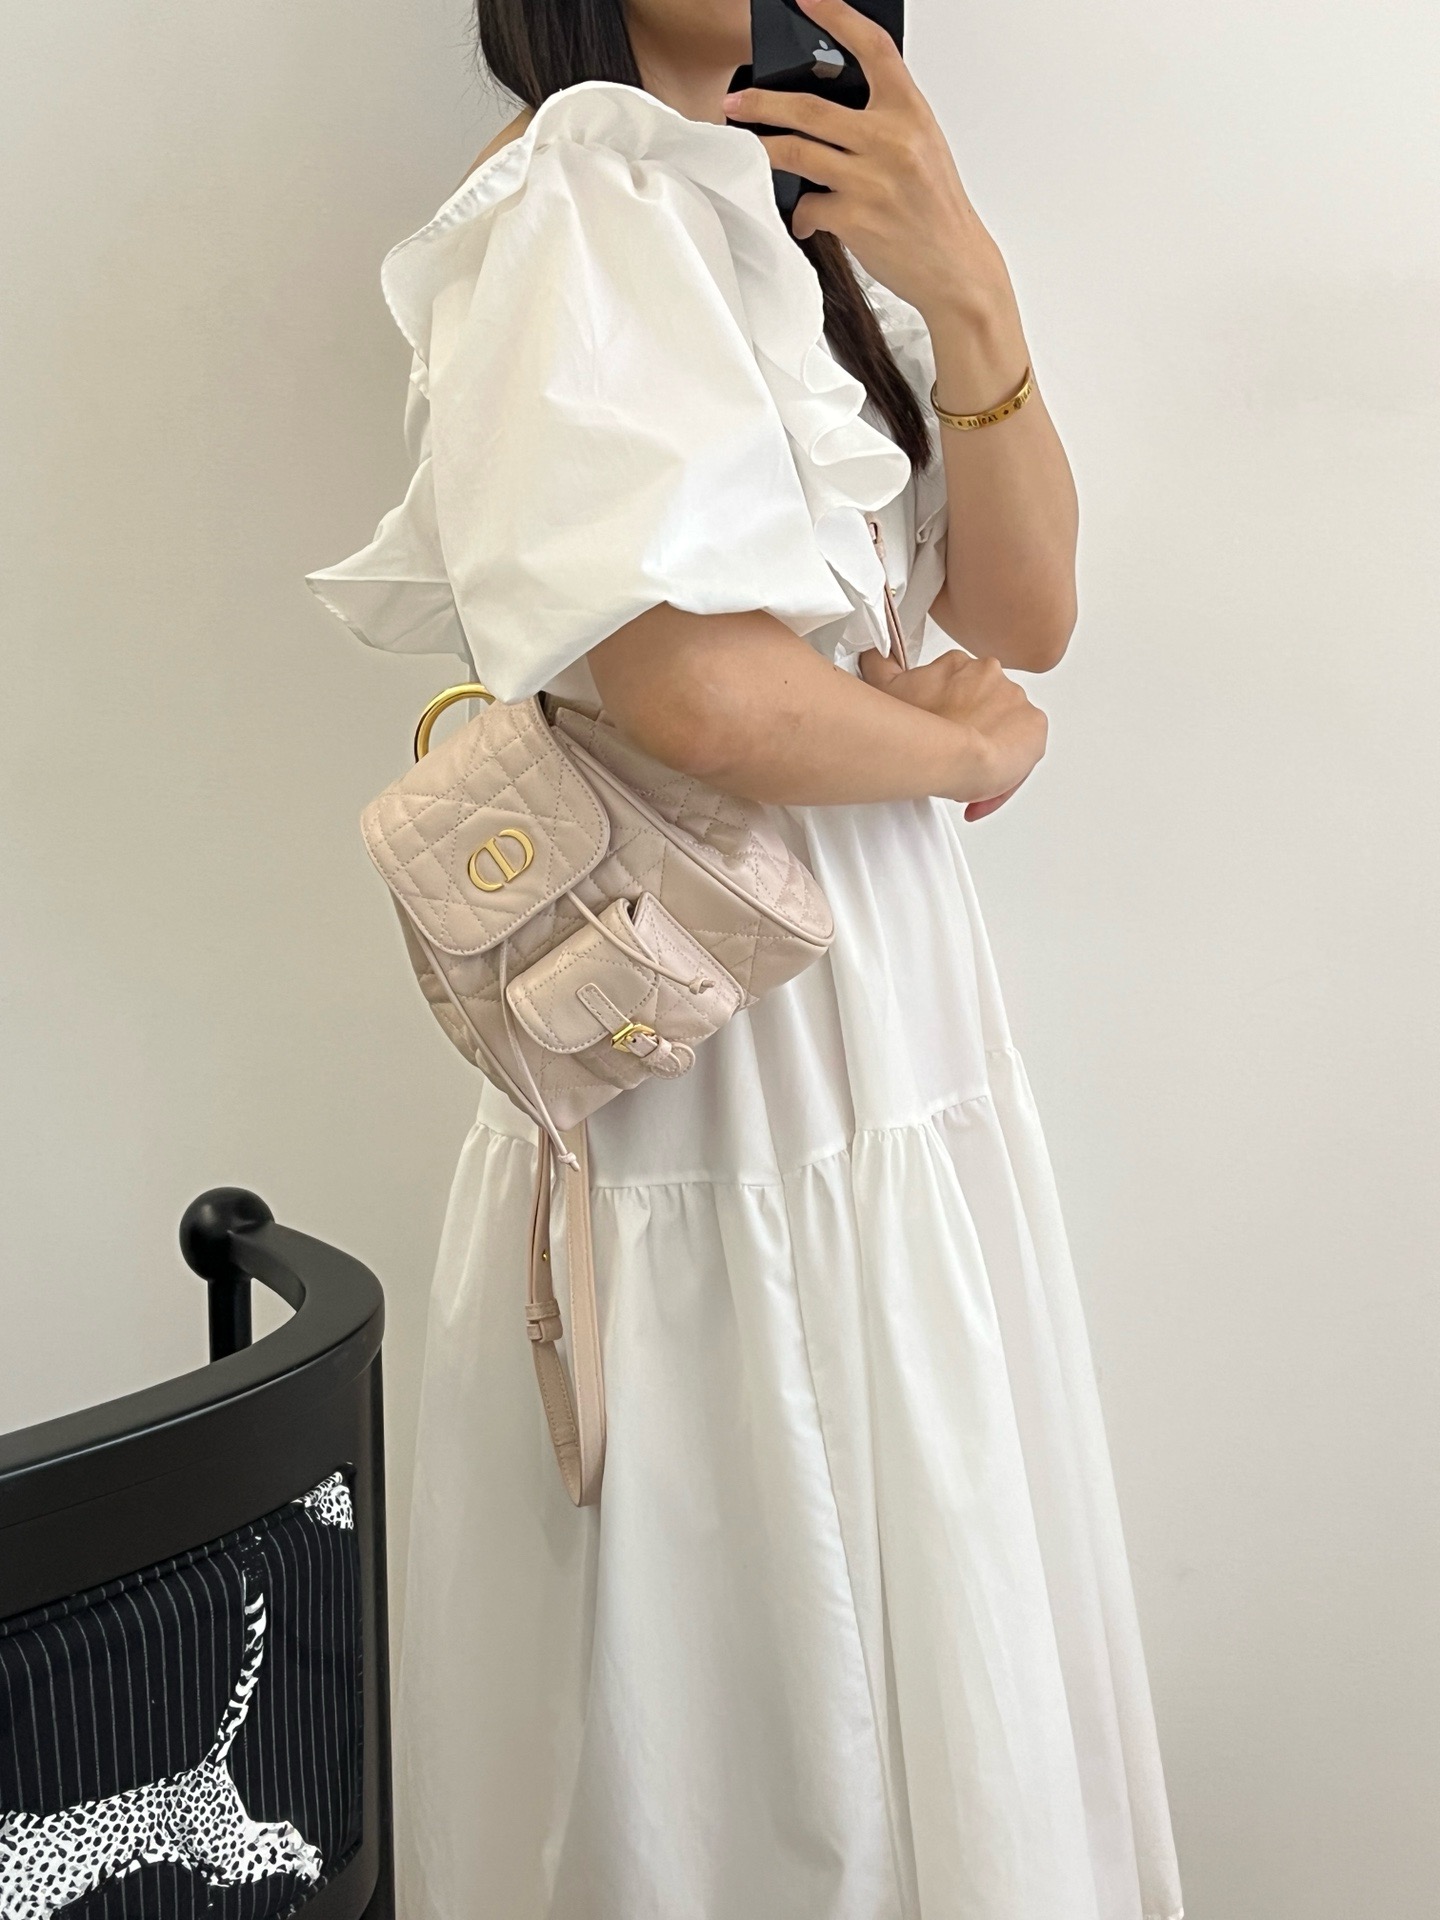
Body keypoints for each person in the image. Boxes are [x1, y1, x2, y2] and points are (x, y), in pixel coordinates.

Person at [306, 0, 1183, 1914]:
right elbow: (696, 693)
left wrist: (968, 287)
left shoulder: (791, 208)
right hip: (724, 1043)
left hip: (884, 1018)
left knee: (898, 1576)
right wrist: (960, 748)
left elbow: (1025, 602)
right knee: (765, 1640)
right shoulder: (576, 203)